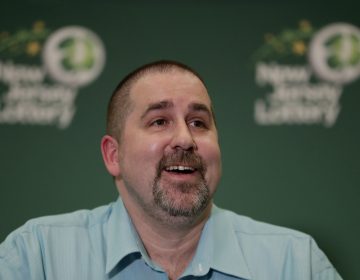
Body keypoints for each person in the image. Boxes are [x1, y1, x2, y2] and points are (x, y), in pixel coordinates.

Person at [0, 60, 342, 280]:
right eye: (159, 121)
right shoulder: (36, 258)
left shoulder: (296, 263)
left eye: (199, 122)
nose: (185, 138)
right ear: (112, 155)